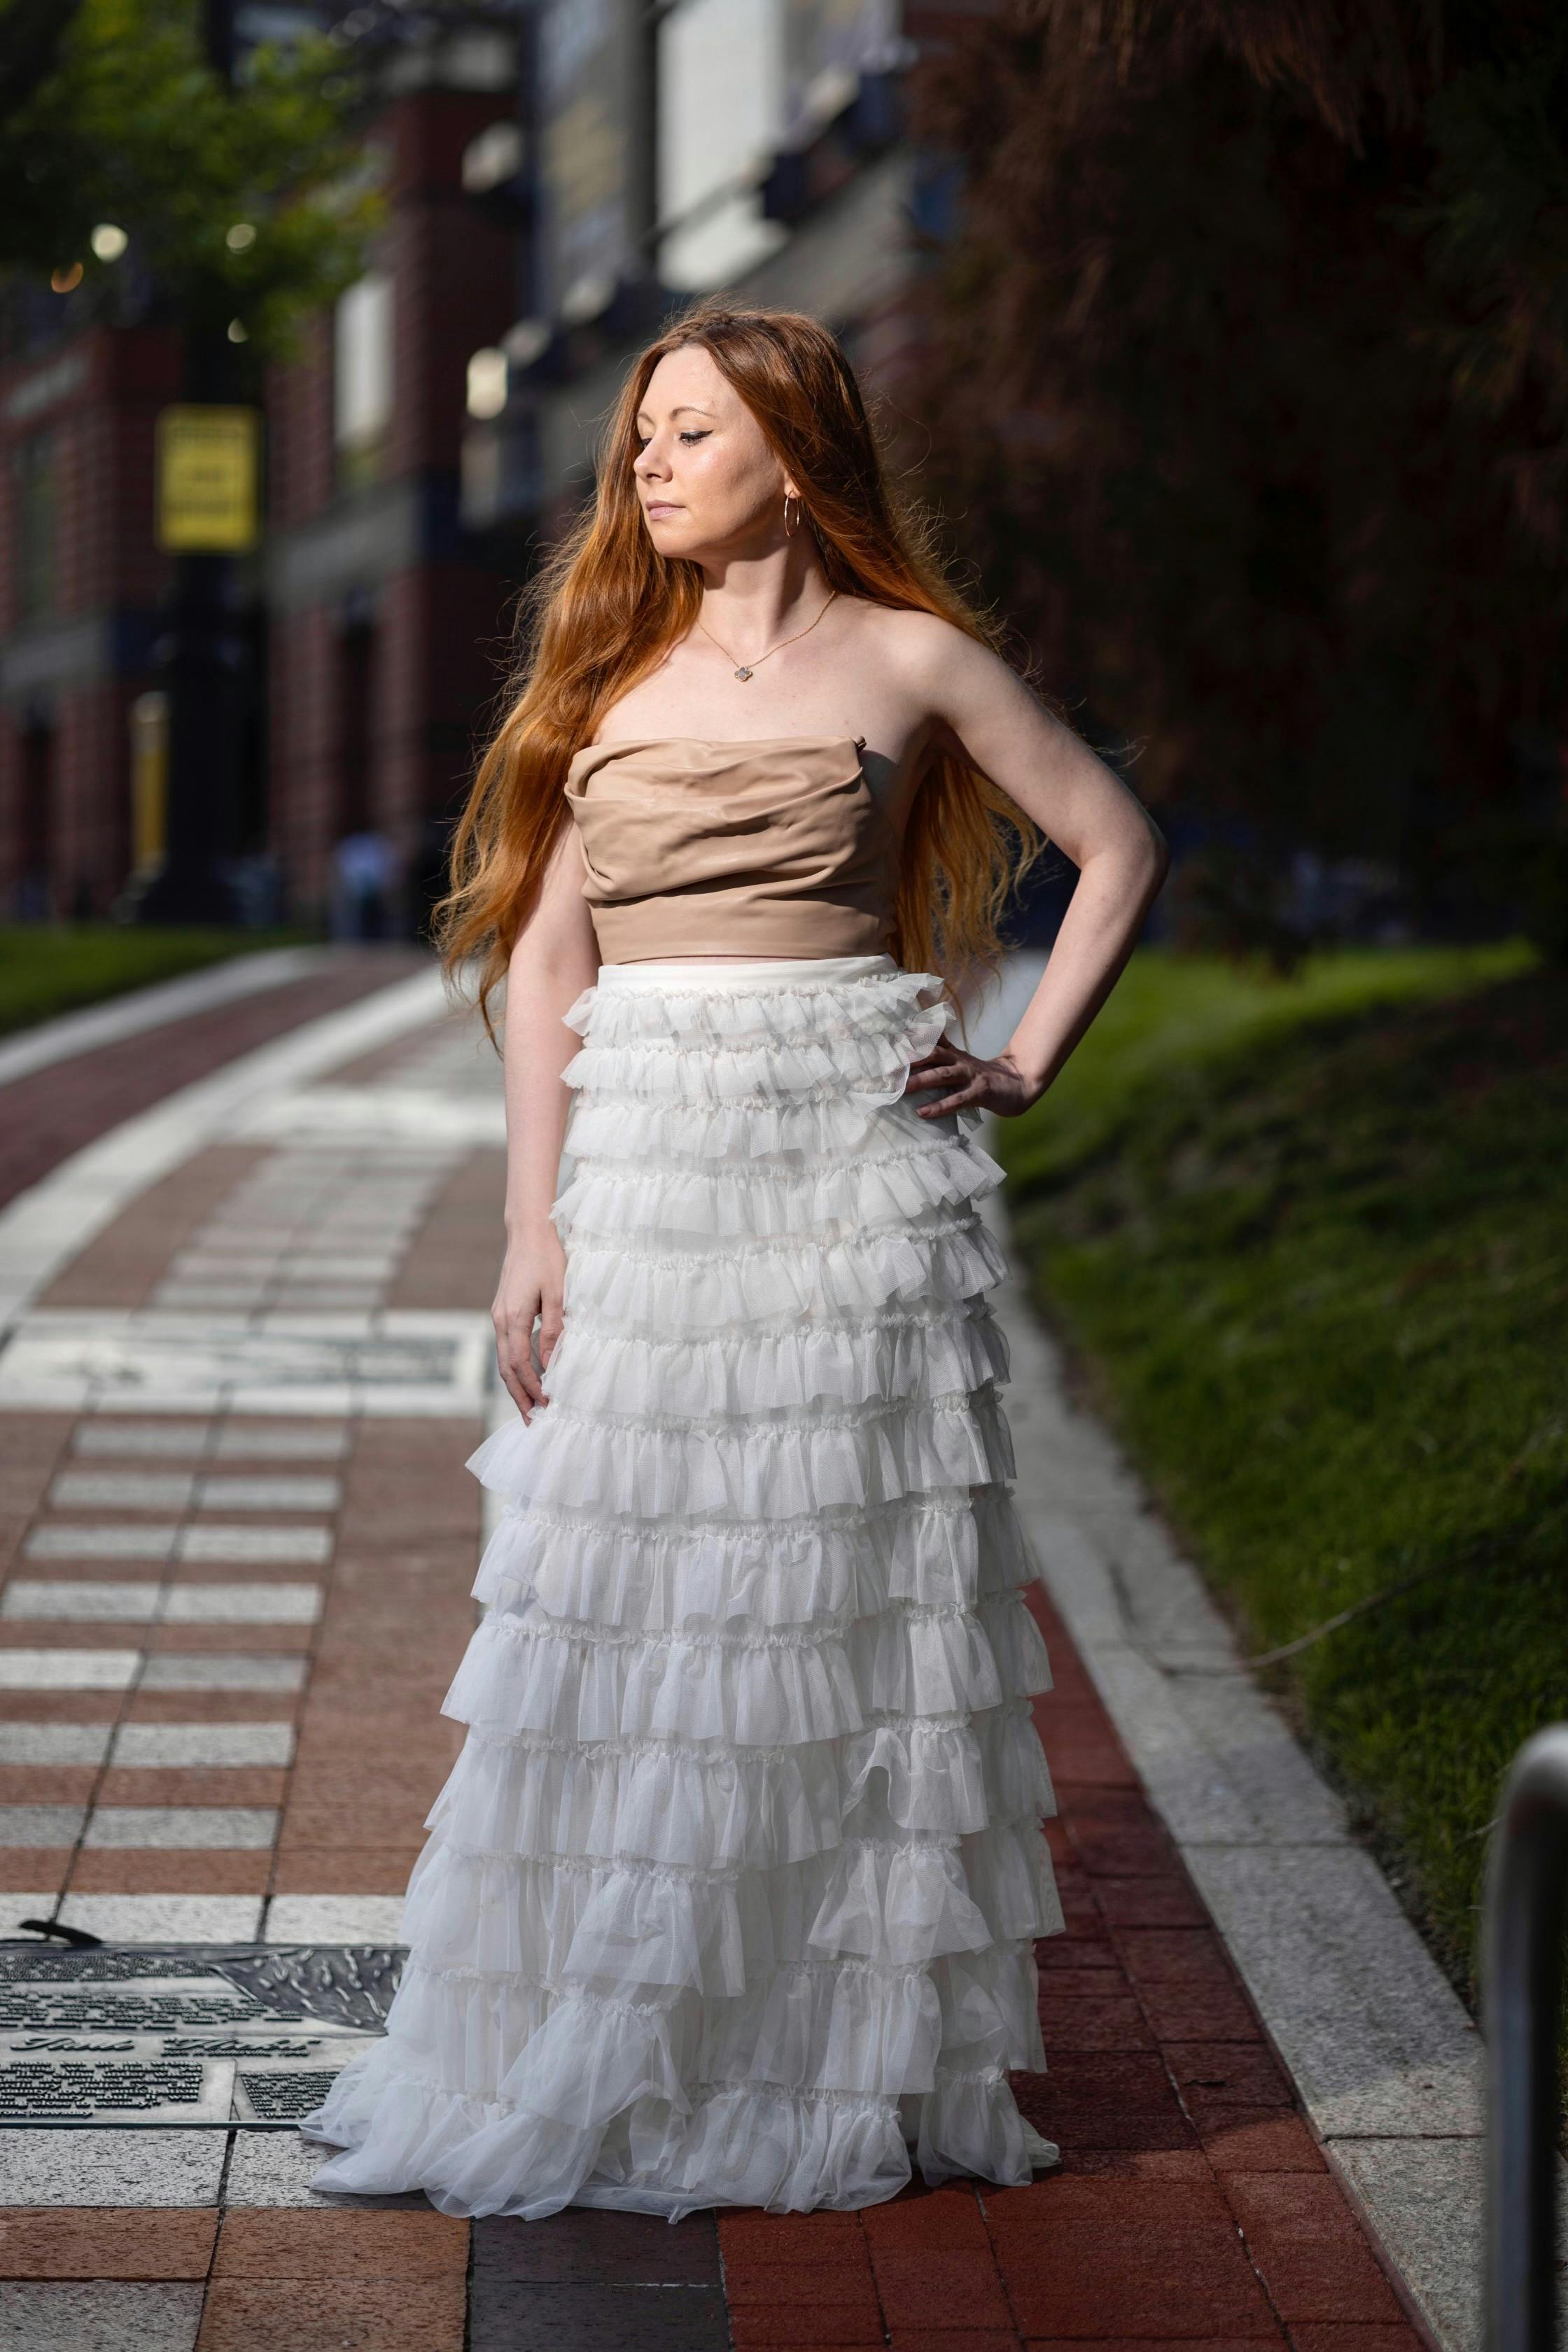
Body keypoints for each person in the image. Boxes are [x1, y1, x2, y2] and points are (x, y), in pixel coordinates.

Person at [301, 299, 1168, 2220]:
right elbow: (545, 961)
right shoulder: (604, 676)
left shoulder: (917, 660)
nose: (648, 465)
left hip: (856, 1175)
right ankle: (612, 2038)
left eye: (687, 433)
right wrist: (532, 1222)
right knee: (617, 1602)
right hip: (649, 1174)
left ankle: (809, 2056)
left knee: (836, 1617)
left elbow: (1115, 842)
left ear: (792, 448)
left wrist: (1028, 1058)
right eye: (640, 441)